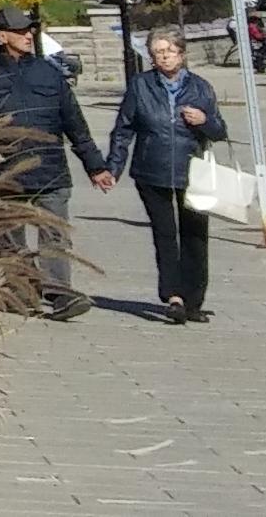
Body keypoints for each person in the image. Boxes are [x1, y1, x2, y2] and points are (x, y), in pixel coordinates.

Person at [0, 4, 110, 321]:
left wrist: (96, 166)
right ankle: (21, 294)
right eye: (21, 31)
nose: (29, 35)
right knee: (11, 239)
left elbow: (75, 124)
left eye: (30, 30)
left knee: (54, 236)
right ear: (1, 36)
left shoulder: (48, 72)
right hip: (5, 173)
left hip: (51, 171)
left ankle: (60, 294)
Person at [109, 31, 230, 324]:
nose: (163, 56)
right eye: (157, 52)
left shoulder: (200, 88)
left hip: (193, 171)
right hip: (153, 169)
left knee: (195, 236)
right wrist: (112, 168)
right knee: (165, 234)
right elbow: (123, 129)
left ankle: (193, 300)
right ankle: (173, 296)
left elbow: (220, 130)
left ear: (182, 54)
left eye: (169, 50)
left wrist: (205, 121)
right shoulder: (141, 86)